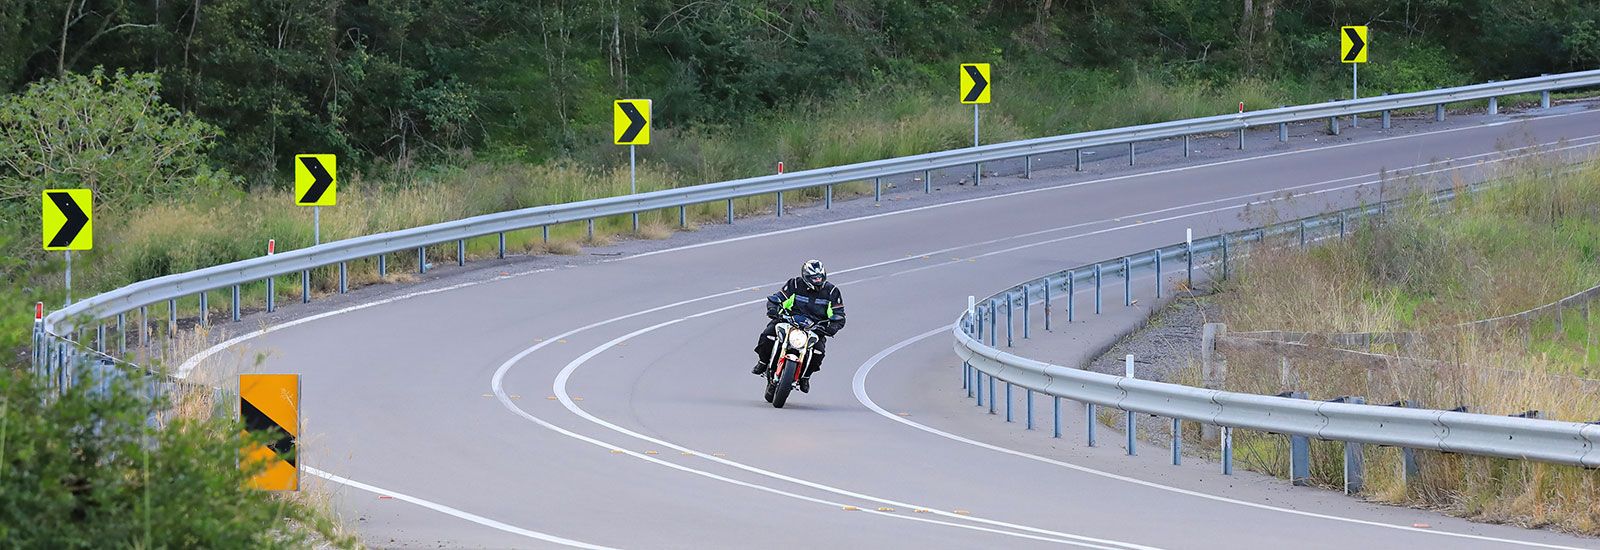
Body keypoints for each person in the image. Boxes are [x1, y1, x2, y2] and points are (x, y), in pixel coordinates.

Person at [752, 259, 846, 393]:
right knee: (768, 335)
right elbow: (778, 298)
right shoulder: (794, 284)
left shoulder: (832, 292)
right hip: (788, 321)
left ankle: (805, 377)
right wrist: (773, 309)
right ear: (806, 277)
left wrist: (831, 327)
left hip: (815, 328)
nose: (817, 280)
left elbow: (839, 314)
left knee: (819, 352)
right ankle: (762, 362)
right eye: (814, 278)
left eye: (820, 277)